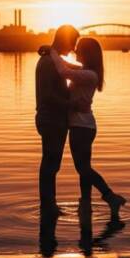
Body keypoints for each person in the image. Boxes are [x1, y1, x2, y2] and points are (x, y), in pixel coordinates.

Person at [41, 37, 126, 220]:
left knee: (83, 168)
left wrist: (52, 52)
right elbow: (64, 65)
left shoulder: (89, 75)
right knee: (84, 167)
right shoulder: (86, 72)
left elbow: (63, 71)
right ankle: (85, 204)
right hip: (83, 125)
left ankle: (110, 197)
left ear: (87, 53)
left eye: (78, 49)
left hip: (81, 126)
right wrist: (49, 51)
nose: (74, 52)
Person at [35, 25, 82, 214]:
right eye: (73, 43)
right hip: (51, 119)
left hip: (54, 119)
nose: (73, 49)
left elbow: (75, 70)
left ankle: (49, 205)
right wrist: (71, 105)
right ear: (65, 40)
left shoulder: (53, 60)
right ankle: (48, 205)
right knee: (50, 163)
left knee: (52, 163)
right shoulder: (48, 63)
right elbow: (48, 95)